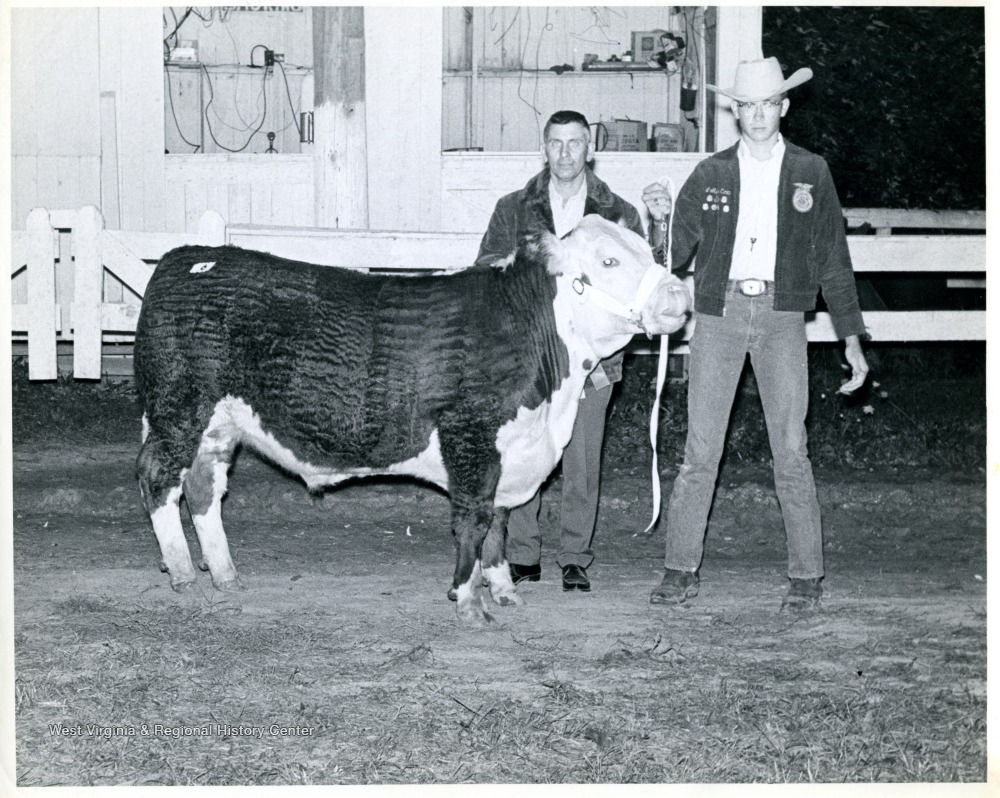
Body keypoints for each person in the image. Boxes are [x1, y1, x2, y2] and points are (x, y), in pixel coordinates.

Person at [641, 57, 869, 610]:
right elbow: (672, 257)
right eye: (747, 106)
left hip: (782, 315)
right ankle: (679, 570)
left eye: (768, 104)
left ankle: (806, 577)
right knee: (700, 448)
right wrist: (658, 218)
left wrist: (852, 338)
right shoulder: (711, 172)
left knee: (791, 449)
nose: (758, 115)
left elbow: (834, 259)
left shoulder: (812, 171)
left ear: (784, 107)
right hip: (717, 315)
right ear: (735, 111)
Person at [475, 109, 645, 593]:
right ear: (544, 147)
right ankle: (524, 553)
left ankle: (574, 555)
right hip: (531, 362)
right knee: (528, 453)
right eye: (556, 143)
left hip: (592, 362)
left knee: (582, 459)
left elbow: (635, 286)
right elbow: (486, 274)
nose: (566, 153)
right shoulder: (513, 208)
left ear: (590, 148)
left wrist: (602, 353)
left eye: (575, 143)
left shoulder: (619, 213)